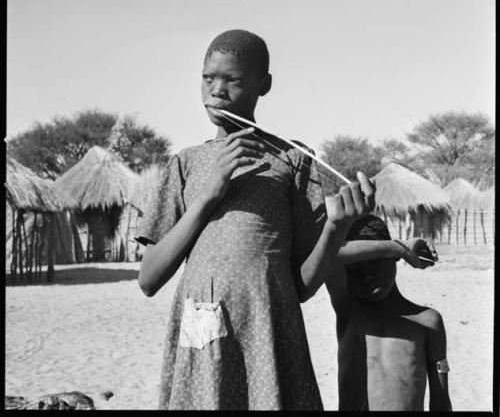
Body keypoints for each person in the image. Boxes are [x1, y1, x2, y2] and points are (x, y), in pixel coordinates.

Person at [136, 29, 427, 410]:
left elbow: (302, 286)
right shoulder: (186, 163)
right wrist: (209, 195)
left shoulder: (292, 160)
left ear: (264, 85)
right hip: (202, 335)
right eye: (208, 78)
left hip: (269, 333)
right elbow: (148, 279)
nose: (216, 91)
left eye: (233, 80)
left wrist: (337, 227)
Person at [325, 214, 452, 411]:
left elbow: (441, 399)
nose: (366, 275)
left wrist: (393, 250)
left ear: (394, 260)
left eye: (375, 262)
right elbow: (328, 256)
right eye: (355, 268)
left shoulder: (428, 321)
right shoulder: (349, 310)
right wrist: (397, 248)